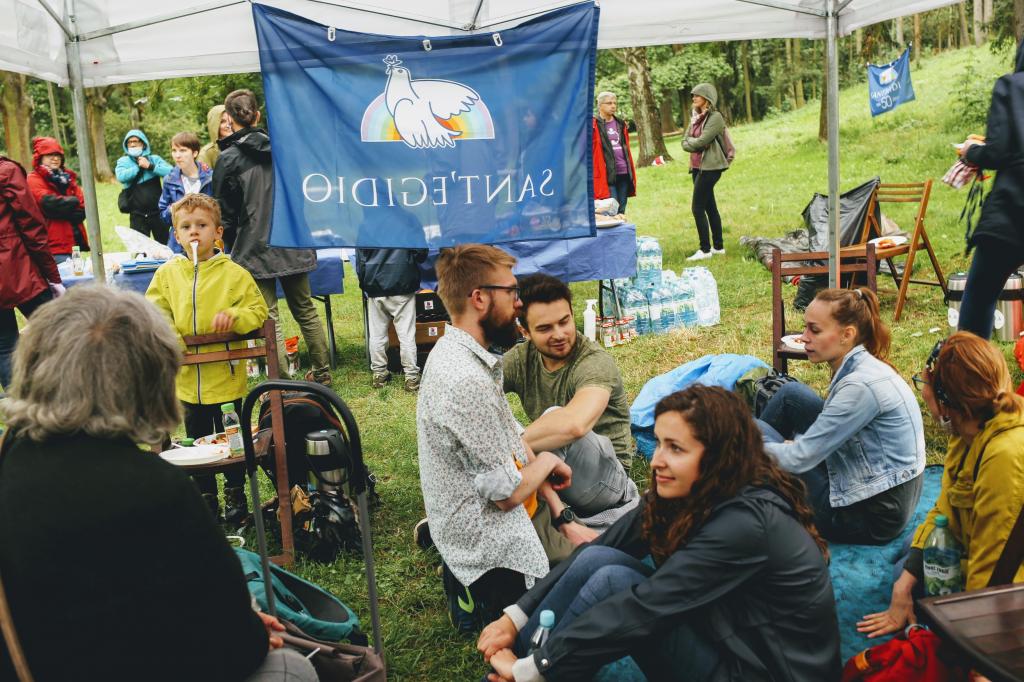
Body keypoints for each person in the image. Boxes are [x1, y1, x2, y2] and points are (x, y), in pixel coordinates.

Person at [0, 286, 316, 682]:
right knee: (291, 668)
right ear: (150, 379)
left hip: (38, 656)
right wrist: (248, 628)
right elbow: (232, 645)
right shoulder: (153, 487)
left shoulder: (10, 453)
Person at [477, 385, 840, 682]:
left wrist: (536, 669)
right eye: (660, 443)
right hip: (730, 633)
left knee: (614, 584)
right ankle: (515, 666)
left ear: (718, 458)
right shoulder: (690, 489)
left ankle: (526, 673)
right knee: (602, 558)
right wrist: (517, 615)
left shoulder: (746, 523)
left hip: (765, 670)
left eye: (675, 448)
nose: (656, 460)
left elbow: (645, 607)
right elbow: (603, 546)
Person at [417, 244, 596, 634]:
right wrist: (550, 463)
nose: (518, 303)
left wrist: (562, 515)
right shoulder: (464, 379)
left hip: (499, 511)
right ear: (480, 298)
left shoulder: (459, 353)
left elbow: (516, 440)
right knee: (597, 580)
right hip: (490, 540)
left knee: (594, 548)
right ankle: (475, 586)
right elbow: (506, 496)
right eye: (511, 292)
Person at [859, 332, 1024, 639]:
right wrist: (905, 583)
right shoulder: (969, 429)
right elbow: (945, 507)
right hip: (972, 547)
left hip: (1009, 586)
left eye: (926, 386)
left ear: (948, 402)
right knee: (910, 561)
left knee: (921, 576)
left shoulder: (1005, 456)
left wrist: (975, 652)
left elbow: (995, 567)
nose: (923, 394)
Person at [757, 287, 926, 544]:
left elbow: (799, 459)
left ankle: (746, 492)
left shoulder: (859, 387)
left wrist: (746, 447)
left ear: (848, 335)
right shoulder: (862, 364)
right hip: (887, 493)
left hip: (869, 517)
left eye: (814, 330)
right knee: (789, 394)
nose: (803, 338)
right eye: (805, 328)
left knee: (747, 430)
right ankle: (756, 487)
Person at [145, 193, 268, 527]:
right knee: (195, 442)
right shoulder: (168, 274)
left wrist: (235, 316)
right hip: (187, 382)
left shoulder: (234, 274)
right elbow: (155, 309)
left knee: (233, 441)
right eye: (186, 227)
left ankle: (235, 493)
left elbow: (257, 310)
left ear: (218, 232)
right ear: (176, 233)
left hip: (225, 378)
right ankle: (205, 496)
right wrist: (170, 333)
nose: (194, 232)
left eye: (202, 225)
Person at [213, 88, 332, 387]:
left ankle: (279, 382)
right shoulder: (286, 149)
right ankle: (323, 373)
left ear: (229, 118)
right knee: (305, 309)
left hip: (253, 246)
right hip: (291, 237)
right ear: (257, 115)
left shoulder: (227, 159)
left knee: (269, 317)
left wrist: (230, 240)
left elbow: (223, 213)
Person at [502, 273, 638, 530]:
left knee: (555, 417)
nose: (560, 334)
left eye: (564, 321)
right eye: (544, 328)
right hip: (554, 470)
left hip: (606, 484)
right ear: (524, 331)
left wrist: (507, 446)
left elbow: (573, 425)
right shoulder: (521, 359)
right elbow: (477, 391)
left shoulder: (593, 362)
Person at [956, 38, 1024, 340]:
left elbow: (997, 153)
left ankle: (971, 378)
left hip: (1011, 213)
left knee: (979, 298)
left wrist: (971, 151)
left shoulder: (1011, 87)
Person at [0, 155, 62, 390]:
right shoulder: (6, 171)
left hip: (18, 268)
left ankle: (21, 414)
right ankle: (66, 398)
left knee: (5, 346)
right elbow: (32, 225)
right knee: (56, 334)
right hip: (21, 270)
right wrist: (52, 276)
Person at [355, 247, 428, 391]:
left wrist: (365, 283)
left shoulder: (367, 225)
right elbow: (421, 254)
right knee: (406, 335)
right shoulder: (409, 224)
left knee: (377, 335)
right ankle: (412, 377)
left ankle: (379, 374)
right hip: (403, 282)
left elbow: (360, 259)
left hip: (374, 283)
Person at [682, 84, 730, 262]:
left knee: (697, 207)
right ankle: (718, 247)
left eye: (696, 96)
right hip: (696, 167)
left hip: (711, 167)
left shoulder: (715, 117)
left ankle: (705, 249)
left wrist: (693, 142)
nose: (693, 98)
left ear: (707, 98)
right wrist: (693, 143)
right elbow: (685, 140)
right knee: (710, 206)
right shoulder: (695, 116)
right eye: (692, 96)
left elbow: (702, 140)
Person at [25, 136, 88, 263]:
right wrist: (73, 202)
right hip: (52, 246)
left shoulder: (68, 178)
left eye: (58, 155)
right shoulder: (33, 179)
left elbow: (83, 208)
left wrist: (65, 207)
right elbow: (49, 204)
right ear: (40, 158)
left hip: (74, 244)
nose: (55, 158)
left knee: (78, 280)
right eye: (50, 155)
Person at [115, 128, 173, 246]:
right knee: (140, 251)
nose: (132, 144)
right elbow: (121, 177)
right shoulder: (123, 161)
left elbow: (172, 172)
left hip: (158, 214)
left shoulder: (154, 159)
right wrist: (138, 167)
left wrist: (150, 166)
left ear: (143, 143)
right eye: (129, 142)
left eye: (135, 141)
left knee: (165, 247)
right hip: (137, 215)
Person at [159, 131, 214, 254]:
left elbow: (218, 212)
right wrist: (174, 208)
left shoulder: (210, 178)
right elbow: (163, 215)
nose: (177, 155)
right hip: (178, 244)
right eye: (174, 150)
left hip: (205, 242)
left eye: (183, 150)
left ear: (195, 153)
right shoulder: (169, 179)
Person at [591, 92, 636, 217]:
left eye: (615, 103)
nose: (613, 106)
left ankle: (621, 235)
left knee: (621, 210)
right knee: (611, 209)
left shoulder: (621, 124)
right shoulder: (593, 125)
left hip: (624, 172)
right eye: (609, 103)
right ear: (600, 105)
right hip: (607, 174)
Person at [198, 104, 232, 169]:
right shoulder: (207, 153)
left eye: (230, 120)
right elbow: (204, 177)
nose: (228, 125)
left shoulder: (242, 145)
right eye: (223, 121)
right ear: (214, 125)